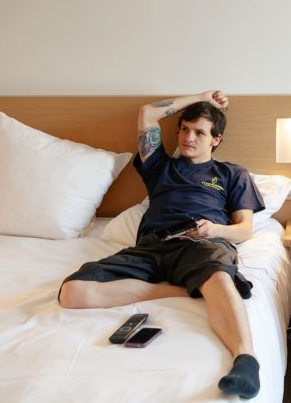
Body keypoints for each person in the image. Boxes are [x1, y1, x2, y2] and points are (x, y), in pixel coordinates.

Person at [59, 91, 265, 399]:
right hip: (152, 246)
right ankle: (188, 290)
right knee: (71, 292)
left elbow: (244, 229)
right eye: (184, 129)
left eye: (199, 132)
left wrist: (213, 231)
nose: (189, 137)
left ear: (216, 139)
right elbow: (147, 113)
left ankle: (245, 360)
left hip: (200, 245)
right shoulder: (160, 167)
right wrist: (203, 96)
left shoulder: (231, 174)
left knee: (219, 275)